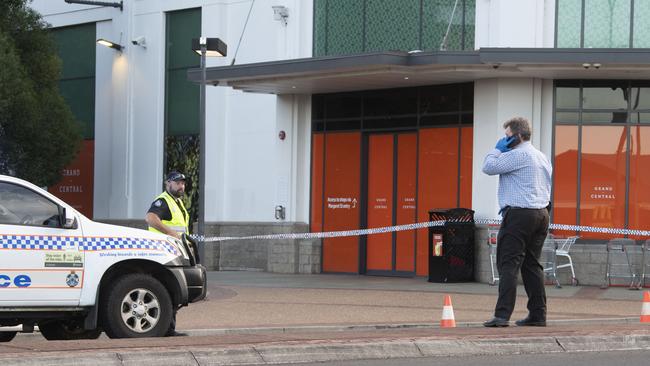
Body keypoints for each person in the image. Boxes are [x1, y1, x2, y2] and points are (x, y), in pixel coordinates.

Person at [481, 117, 552, 328]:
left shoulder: (518, 154)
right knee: (532, 265)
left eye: (507, 136)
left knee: (508, 264)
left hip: (519, 215)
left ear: (518, 136)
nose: (504, 139)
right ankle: (538, 314)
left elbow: (488, 167)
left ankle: (502, 315)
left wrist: (497, 150)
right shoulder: (541, 156)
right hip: (541, 214)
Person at [145, 170, 190, 336]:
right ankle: (167, 328)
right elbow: (150, 218)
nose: (181, 186)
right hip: (162, 252)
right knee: (167, 289)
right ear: (168, 183)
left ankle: (168, 327)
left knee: (171, 290)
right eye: (177, 183)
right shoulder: (163, 201)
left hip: (173, 251)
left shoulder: (177, 202)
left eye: (182, 183)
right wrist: (170, 233)